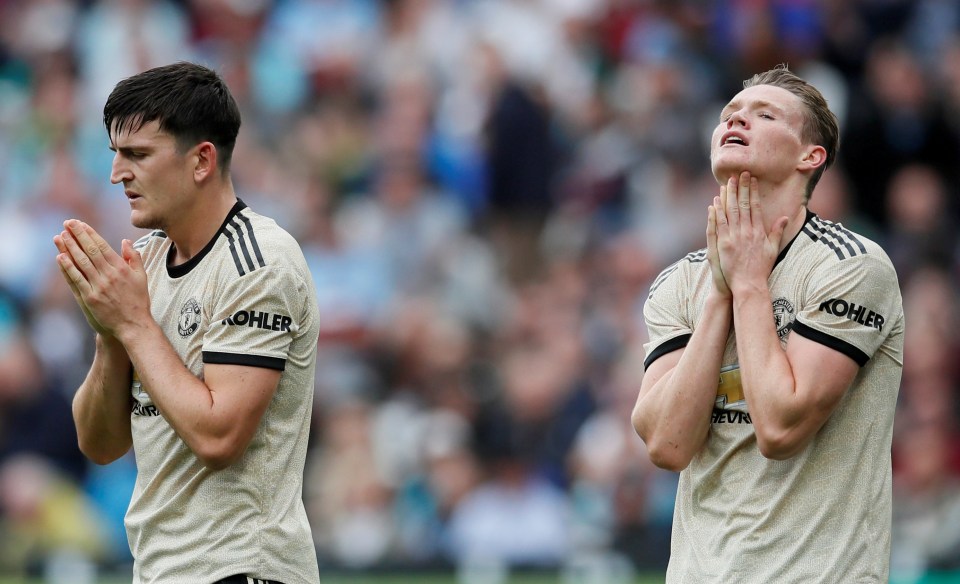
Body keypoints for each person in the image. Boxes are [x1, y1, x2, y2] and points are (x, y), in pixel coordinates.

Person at [631, 64, 905, 583]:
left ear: (810, 156)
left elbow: (780, 428)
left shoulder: (851, 267)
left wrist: (751, 285)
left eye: (764, 114)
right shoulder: (678, 282)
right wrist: (721, 290)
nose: (738, 120)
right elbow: (666, 445)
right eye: (730, 113)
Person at [52, 62, 321, 584]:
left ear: (201, 161)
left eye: (138, 155)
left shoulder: (259, 262)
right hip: (160, 571)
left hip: (245, 569)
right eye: (115, 155)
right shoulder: (144, 265)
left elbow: (219, 439)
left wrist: (132, 325)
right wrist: (110, 334)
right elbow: (99, 444)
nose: (117, 174)